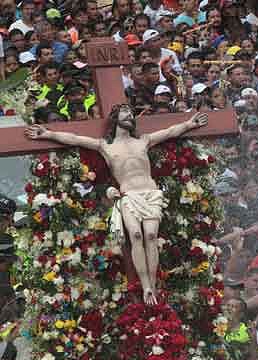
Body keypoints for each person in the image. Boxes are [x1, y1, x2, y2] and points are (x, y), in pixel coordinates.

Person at [25, 106, 208, 305]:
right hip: (128, 196)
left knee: (151, 236)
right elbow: (75, 138)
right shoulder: (105, 145)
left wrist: (189, 124)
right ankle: (145, 285)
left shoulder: (143, 140)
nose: (129, 115)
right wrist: (48, 133)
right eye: (125, 112)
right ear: (115, 118)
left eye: (131, 113)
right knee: (136, 235)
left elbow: (170, 132)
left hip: (150, 194)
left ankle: (153, 286)